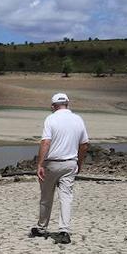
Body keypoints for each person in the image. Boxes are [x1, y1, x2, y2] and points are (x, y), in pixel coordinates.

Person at [30, 92, 88, 245]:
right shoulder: (78, 119)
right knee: (66, 197)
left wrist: (40, 164)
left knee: (46, 197)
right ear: (67, 104)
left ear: (53, 106)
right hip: (70, 163)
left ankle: (42, 228)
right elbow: (84, 145)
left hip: (52, 163)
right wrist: (79, 163)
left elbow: (45, 143)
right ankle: (64, 230)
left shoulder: (51, 119)